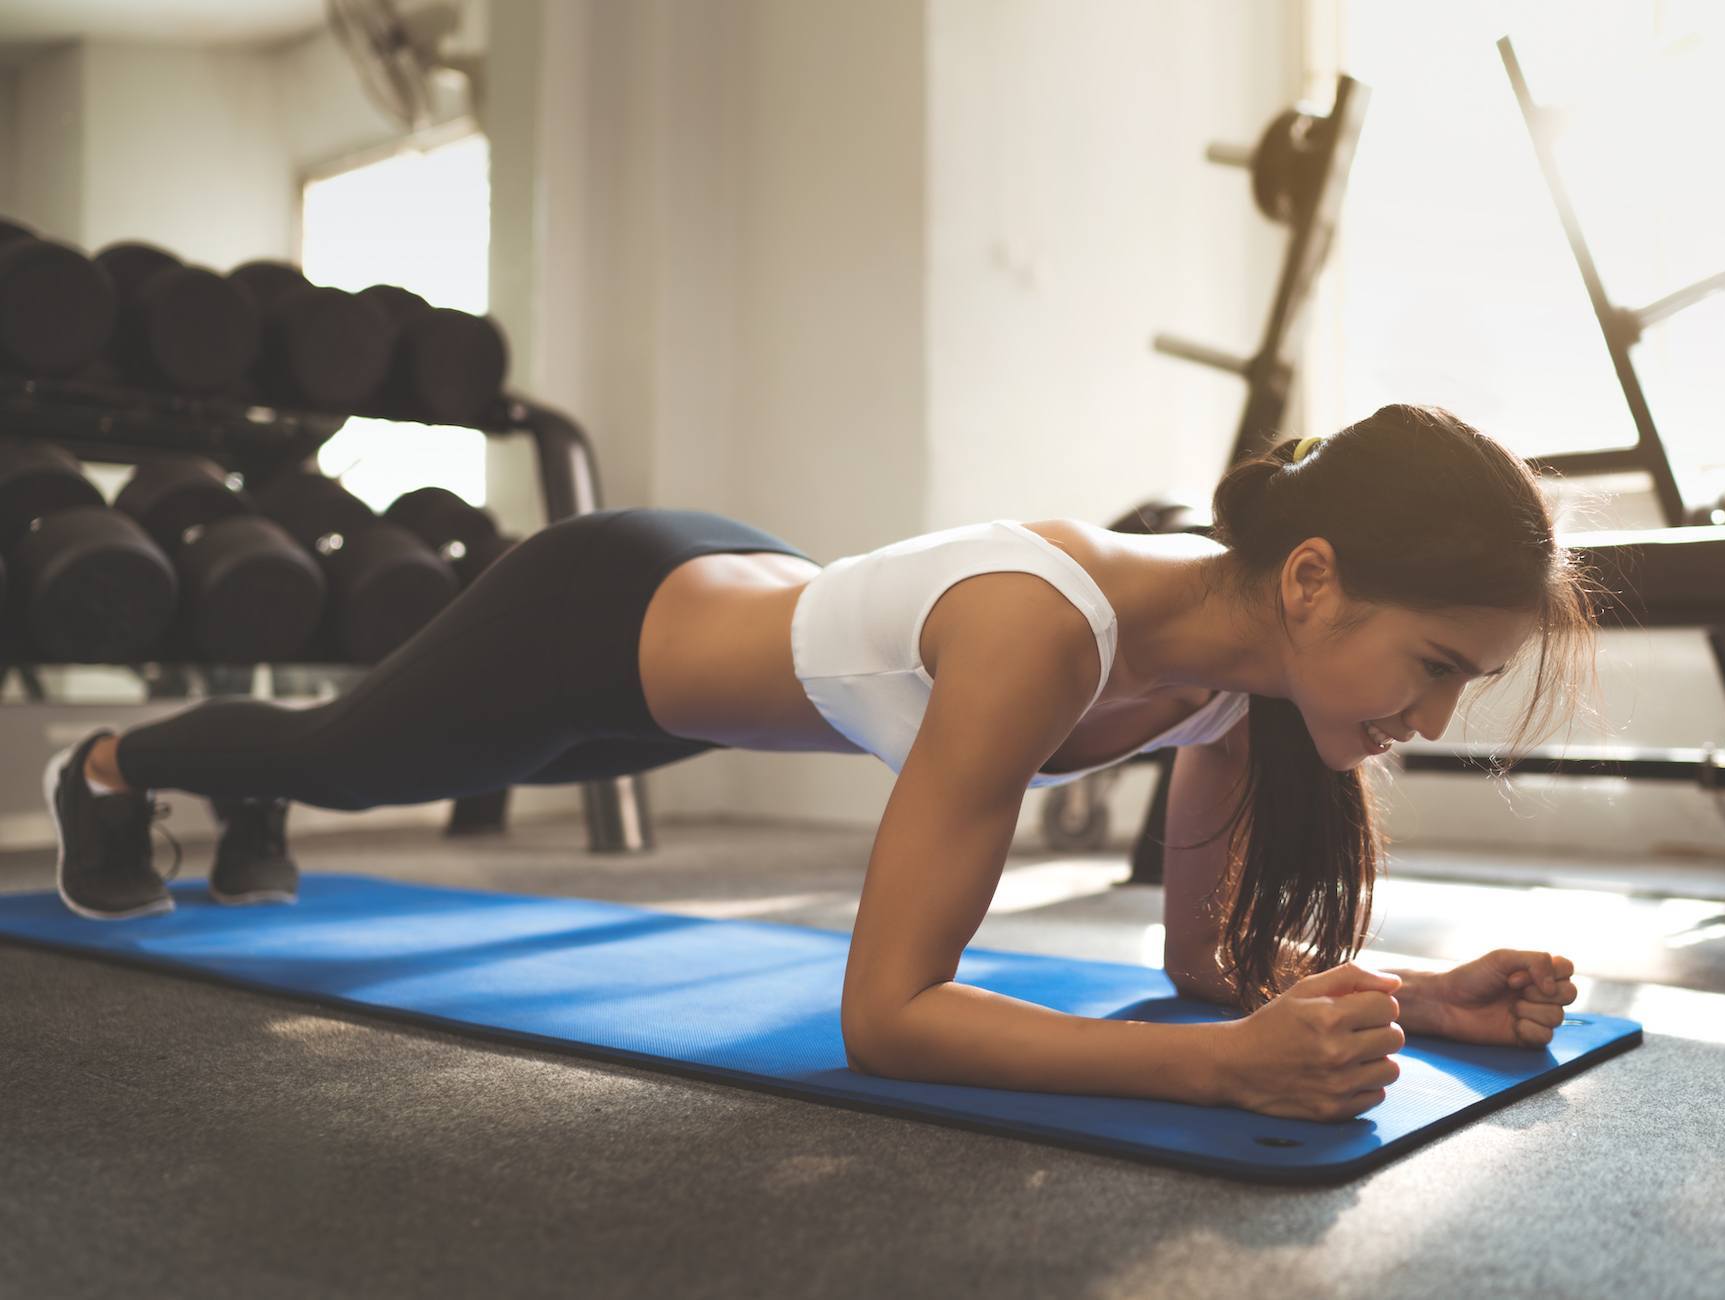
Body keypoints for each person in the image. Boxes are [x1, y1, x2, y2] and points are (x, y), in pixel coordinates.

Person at [45, 403, 1595, 1121]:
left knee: (347, 763)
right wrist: (1218, 1071)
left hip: (745, 607)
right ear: (1314, 577)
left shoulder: (1240, 677)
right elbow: (887, 1017)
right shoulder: (1040, 637)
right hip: (607, 619)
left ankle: (235, 787)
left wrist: (1414, 993)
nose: (1433, 719)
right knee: (351, 758)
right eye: (1437, 669)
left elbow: (1200, 955)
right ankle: (110, 766)